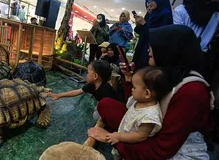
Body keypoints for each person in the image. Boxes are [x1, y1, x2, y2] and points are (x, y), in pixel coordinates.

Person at [88, 25, 214, 159]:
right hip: (150, 128)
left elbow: (161, 149)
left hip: (170, 148)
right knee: (105, 105)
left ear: (170, 49)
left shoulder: (192, 92)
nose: (148, 49)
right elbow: (139, 103)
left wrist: (111, 139)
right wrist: (129, 78)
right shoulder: (168, 73)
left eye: (154, 45)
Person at [106, 66, 170, 159]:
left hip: (129, 145)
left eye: (134, 87)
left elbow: (140, 136)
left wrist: (119, 137)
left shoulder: (150, 115)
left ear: (147, 93)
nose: (132, 89)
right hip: (123, 136)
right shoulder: (139, 101)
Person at [173, 0, 219, 85]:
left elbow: (178, 34)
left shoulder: (180, 11)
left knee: (183, 86)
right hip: (204, 57)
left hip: (184, 57)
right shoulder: (215, 12)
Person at [46, 60, 123, 120]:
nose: (86, 74)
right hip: (104, 106)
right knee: (97, 110)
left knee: (96, 115)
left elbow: (112, 109)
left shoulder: (106, 91)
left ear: (95, 76)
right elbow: (77, 92)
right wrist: (58, 95)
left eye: (88, 72)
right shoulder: (92, 85)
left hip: (115, 112)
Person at [132, 0, 173, 71]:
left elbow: (159, 35)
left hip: (152, 51)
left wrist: (144, 24)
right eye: (148, 2)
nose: (149, 4)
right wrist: (139, 24)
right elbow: (141, 32)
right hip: (143, 46)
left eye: (152, 1)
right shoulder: (152, 14)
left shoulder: (165, 14)